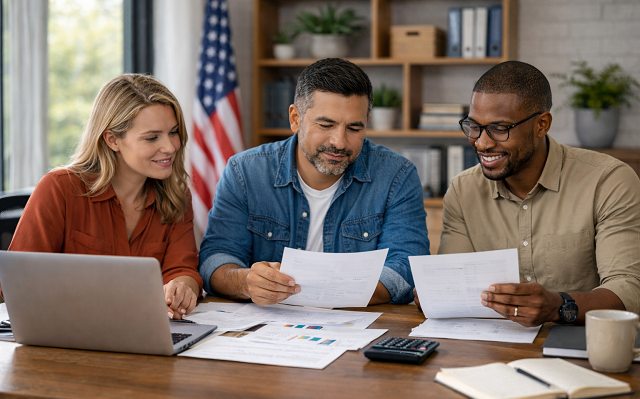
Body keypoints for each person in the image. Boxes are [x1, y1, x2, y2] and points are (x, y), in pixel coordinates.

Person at [414, 61, 640, 326]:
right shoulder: (464, 191)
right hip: (493, 347)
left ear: (541, 125)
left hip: (582, 344)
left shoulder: (608, 181)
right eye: (473, 126)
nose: (482, 143)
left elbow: (629, 290)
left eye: (500, 128)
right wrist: (438, 293)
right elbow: (456, 287)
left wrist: (558, 306)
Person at [199, 58, 430, 306]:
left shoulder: (397, 175)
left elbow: (405, 266)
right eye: (326, 124)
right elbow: (216, 258)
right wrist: (247, 282)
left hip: (357, 327)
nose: (339, 142)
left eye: (354, 128)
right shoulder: (244, 171)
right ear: (295, 118)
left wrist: (321, 292)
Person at [7, 74, 202, 321]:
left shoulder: (176, 195)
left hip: (144, 333)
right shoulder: (59, 189)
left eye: (173, 132)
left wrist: (182, 288)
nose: (171, 146)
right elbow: (18, 282)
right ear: (112, 140)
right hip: (66, 333)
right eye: (152, 137)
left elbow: (182, 268)